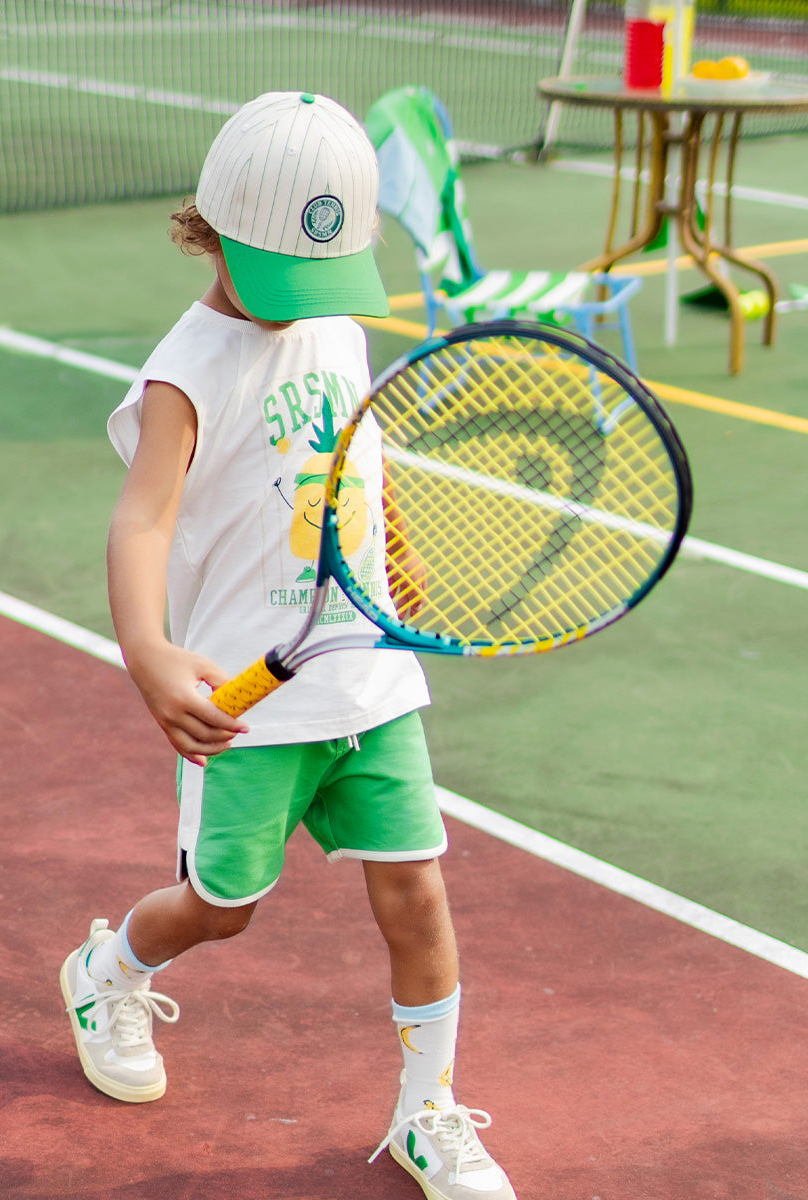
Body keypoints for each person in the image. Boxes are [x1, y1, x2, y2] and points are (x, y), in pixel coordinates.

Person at [59, 91, 517, 1200]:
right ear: (211, 230)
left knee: (419, 899)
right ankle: (106, 971)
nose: (301, 301)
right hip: (248, 700)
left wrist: (395, 543)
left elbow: (357, 454)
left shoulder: (338, 329)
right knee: (222, 910)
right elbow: (142, 521)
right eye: (282, 273)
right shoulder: (185, 371)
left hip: (370, 678)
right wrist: (147, 651)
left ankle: (427, 1111)